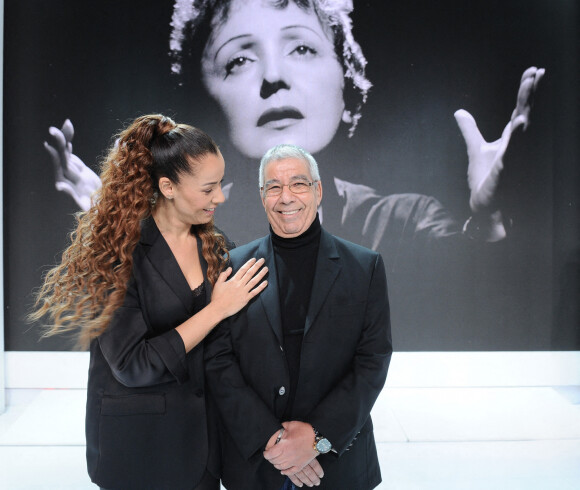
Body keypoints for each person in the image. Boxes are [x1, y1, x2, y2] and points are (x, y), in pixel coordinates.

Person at [43, 0, 544, 349]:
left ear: (347, 82)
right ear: (204, 97)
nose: (273, 76)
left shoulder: (402, 218)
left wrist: (488, 218)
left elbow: (467, 279)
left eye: (302, 48)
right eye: (239, 59)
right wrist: (128, 230)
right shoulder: (191, 233)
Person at [30, 114, 269, 489]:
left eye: (219, 184)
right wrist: (218, 308)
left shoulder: (217, 244)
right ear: (168, 187)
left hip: (204, 453)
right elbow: (132, 365)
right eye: (208, 189)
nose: (219, 197)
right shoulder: (115, 254)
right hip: (138, 451)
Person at [204, 143, 392, 489]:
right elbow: (219, 361)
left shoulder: (364, 267)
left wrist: (317, 438)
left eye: (298, 184)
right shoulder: (233, 267)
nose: (286, 197)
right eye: (273, 187)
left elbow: (372, 362)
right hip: (256, 464)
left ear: (318, 191)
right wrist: (271, 439)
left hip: (338, 463)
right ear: (263, 197)